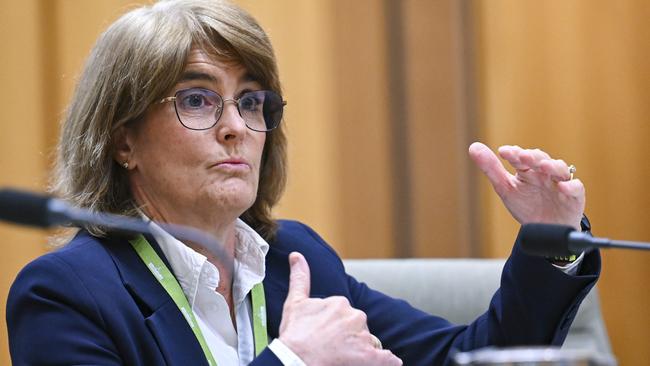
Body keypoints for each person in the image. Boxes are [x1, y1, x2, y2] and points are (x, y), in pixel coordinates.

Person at [6, 0, 599, 365]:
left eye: (252, 102)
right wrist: (293, 362)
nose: (237, 127)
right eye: (197, 100)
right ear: (122, 139)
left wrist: (549, 238)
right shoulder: (66, 294)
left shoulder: (294, 260)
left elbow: (469, 361)